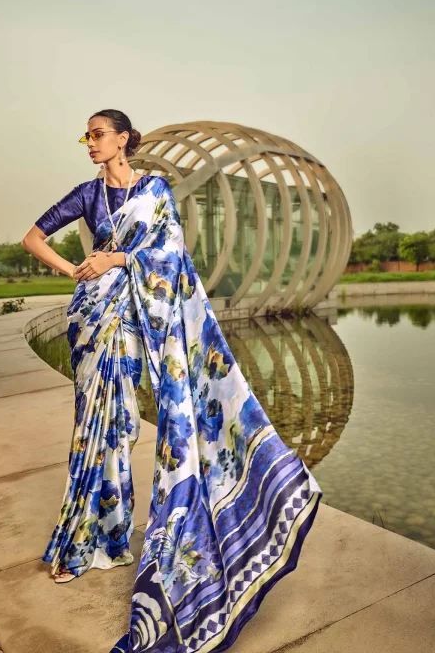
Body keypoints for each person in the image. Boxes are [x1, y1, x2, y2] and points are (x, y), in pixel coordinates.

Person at [22, 109, 323, 653]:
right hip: (94, 320)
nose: (88, 143)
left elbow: (170, 254)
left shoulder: (154, 190)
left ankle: (142, 531)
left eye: (97, 134)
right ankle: (84, 543)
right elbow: (32, 236)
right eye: (85, 136)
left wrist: (117, 257)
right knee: (97, 427)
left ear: (123, 140)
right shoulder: (86, 196)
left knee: (144, 421)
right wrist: (77, 270)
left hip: (142, 312)